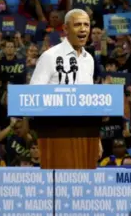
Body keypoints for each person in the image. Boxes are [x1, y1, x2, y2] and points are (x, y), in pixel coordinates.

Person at [29, 8, 100, 157]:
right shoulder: (50, 57)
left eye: (86, 25)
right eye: (77, 24)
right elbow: (33, 97)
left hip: (83, 134)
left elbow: (89, 102)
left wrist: (96, 137)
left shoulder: (89, 60)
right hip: (55, 133)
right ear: (65, 29)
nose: (83, 29)